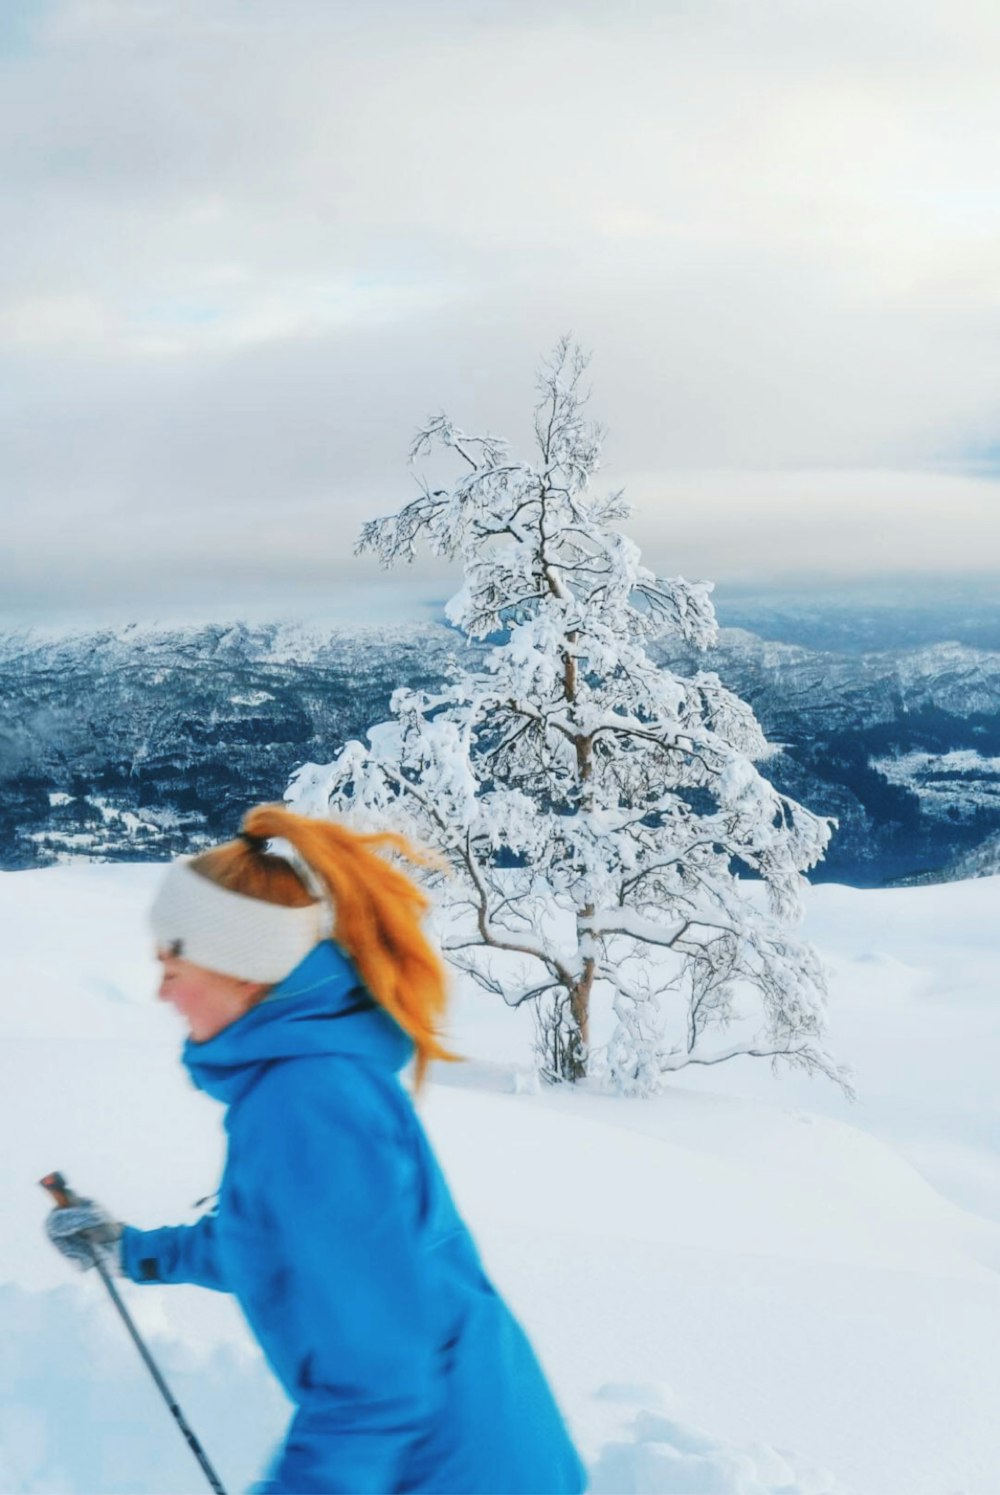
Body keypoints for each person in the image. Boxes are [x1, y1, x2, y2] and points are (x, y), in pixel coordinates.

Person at [45, 804, 588, 1495]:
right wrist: (130, 1248)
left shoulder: (305, 1104)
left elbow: (377, 1385)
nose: (161, 990)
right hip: (476, 1442)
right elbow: (278, 1240)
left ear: (241, 970)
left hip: (458, 1466)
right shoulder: (302, 1081)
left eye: (174, 964)